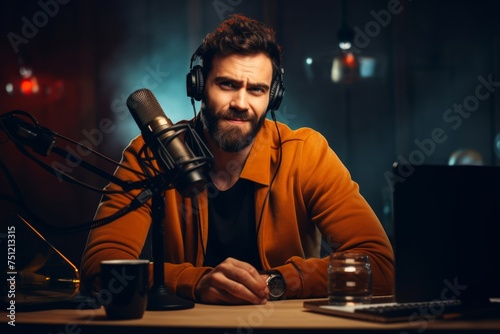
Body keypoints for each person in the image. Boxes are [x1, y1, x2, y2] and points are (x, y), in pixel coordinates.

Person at [80, 14, 394, 305]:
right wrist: (197, 282)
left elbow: (380, 265)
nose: (241, 103)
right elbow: (99, 270)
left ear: (273, 96)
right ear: (199, 86)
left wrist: (275, 282)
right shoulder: (149, 154)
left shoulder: (307, 154)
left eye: (256, 90)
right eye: (227, 84)